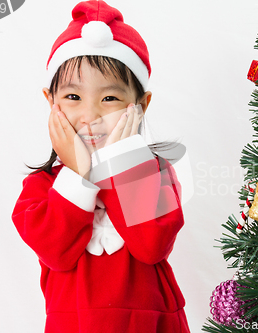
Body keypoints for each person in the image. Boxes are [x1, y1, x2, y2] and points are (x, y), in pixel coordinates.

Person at [12, 1, 190, 332]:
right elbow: (56, 252)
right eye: (73, 97)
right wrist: (77, 173)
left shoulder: (156, 174)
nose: (90, 116)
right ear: (51, 102)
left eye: (109, 98)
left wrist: (123, 163)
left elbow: (152, 247)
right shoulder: (40, 187)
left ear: (141, 105)